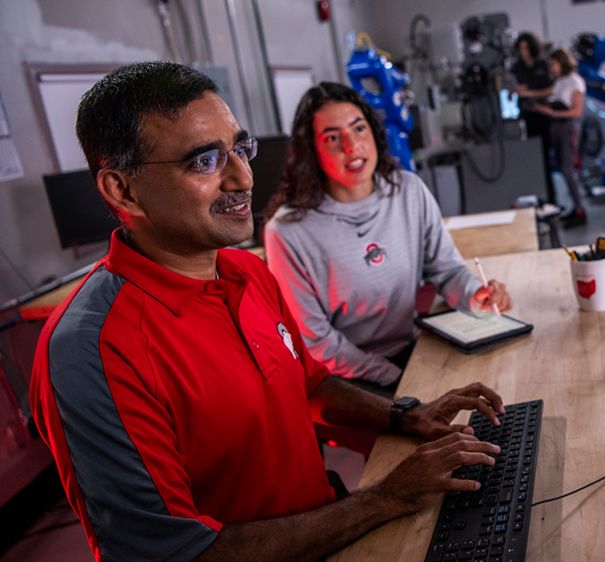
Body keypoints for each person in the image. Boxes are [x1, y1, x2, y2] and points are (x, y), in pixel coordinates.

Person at [30, 61, 507, 561]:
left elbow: (309, 385)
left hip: (330, 527)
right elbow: (175, 554)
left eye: (240, 148)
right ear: (121, 189)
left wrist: (406, 416)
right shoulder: (93, 352)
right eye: (204, 161)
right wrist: (386, 497)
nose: (242, 177)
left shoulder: (246, 274)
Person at [264, 83, 512, 389]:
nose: (351, 146)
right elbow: (317, 343)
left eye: (358, 128)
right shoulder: (288, 232)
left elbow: (445, 269)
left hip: (416, 349)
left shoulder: (408, 190)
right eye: (332, 137)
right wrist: (399, 383)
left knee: (503, 383)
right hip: (348, 378)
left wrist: (475, 295)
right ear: (310, 151)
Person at [528, 47, 588, 227]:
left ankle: (579, 210)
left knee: (568, 170)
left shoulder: (575, 82)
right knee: (564, 169)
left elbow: (576, 111)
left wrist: (551, 112)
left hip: (568, 129)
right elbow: (548, 93)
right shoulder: (560, 81)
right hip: (557, 128)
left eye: (553, 64)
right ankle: (574, 207)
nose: (550, 68)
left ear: (561, 63)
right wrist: (527, 94)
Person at [512, 31, 557, 205]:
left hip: (544, 116)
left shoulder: (543, 65)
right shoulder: (516, 68)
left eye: (526, 48)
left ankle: (552, 199)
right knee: (534, 161)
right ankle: (540, 199)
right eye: (520, 48)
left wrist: (529, 93)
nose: (524, 52)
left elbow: (552, 89)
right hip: (527, 117)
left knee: (547, 160)